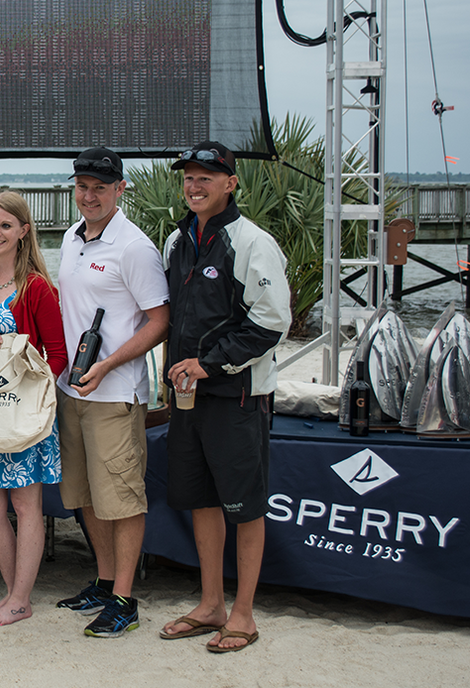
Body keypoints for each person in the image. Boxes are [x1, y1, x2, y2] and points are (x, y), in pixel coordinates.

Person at [158, 142, 289, 653]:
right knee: (202, 501)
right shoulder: (177, 240)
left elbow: (271, 323)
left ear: (230, 183)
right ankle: (211, 603)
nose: (195, 186)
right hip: (187, 398)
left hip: (237, 397)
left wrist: (208, 364)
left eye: (206, 178)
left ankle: (244, 615)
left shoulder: (253, 242)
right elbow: (173, 316)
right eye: (189, 177)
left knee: (245, 507)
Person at [53, 147, 169, 637]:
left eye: (100, 188)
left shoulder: (135, 247)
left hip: (115, 394)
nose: (89, 196)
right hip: (72, 391)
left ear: (120, 189)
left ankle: (124, 599)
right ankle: (104, 582)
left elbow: (159, 321)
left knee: (121, 499)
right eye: (82, 187)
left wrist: (107, 365)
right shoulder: (70, 237)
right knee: (85, 496)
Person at [0, 191, 68, 626]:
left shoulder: (36, 287)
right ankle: (12, 593)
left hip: (22, 414)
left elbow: (58, 356)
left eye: (6, 225)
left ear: (24, 231)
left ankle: (21, 599)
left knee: (26, 507)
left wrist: (26, 385)